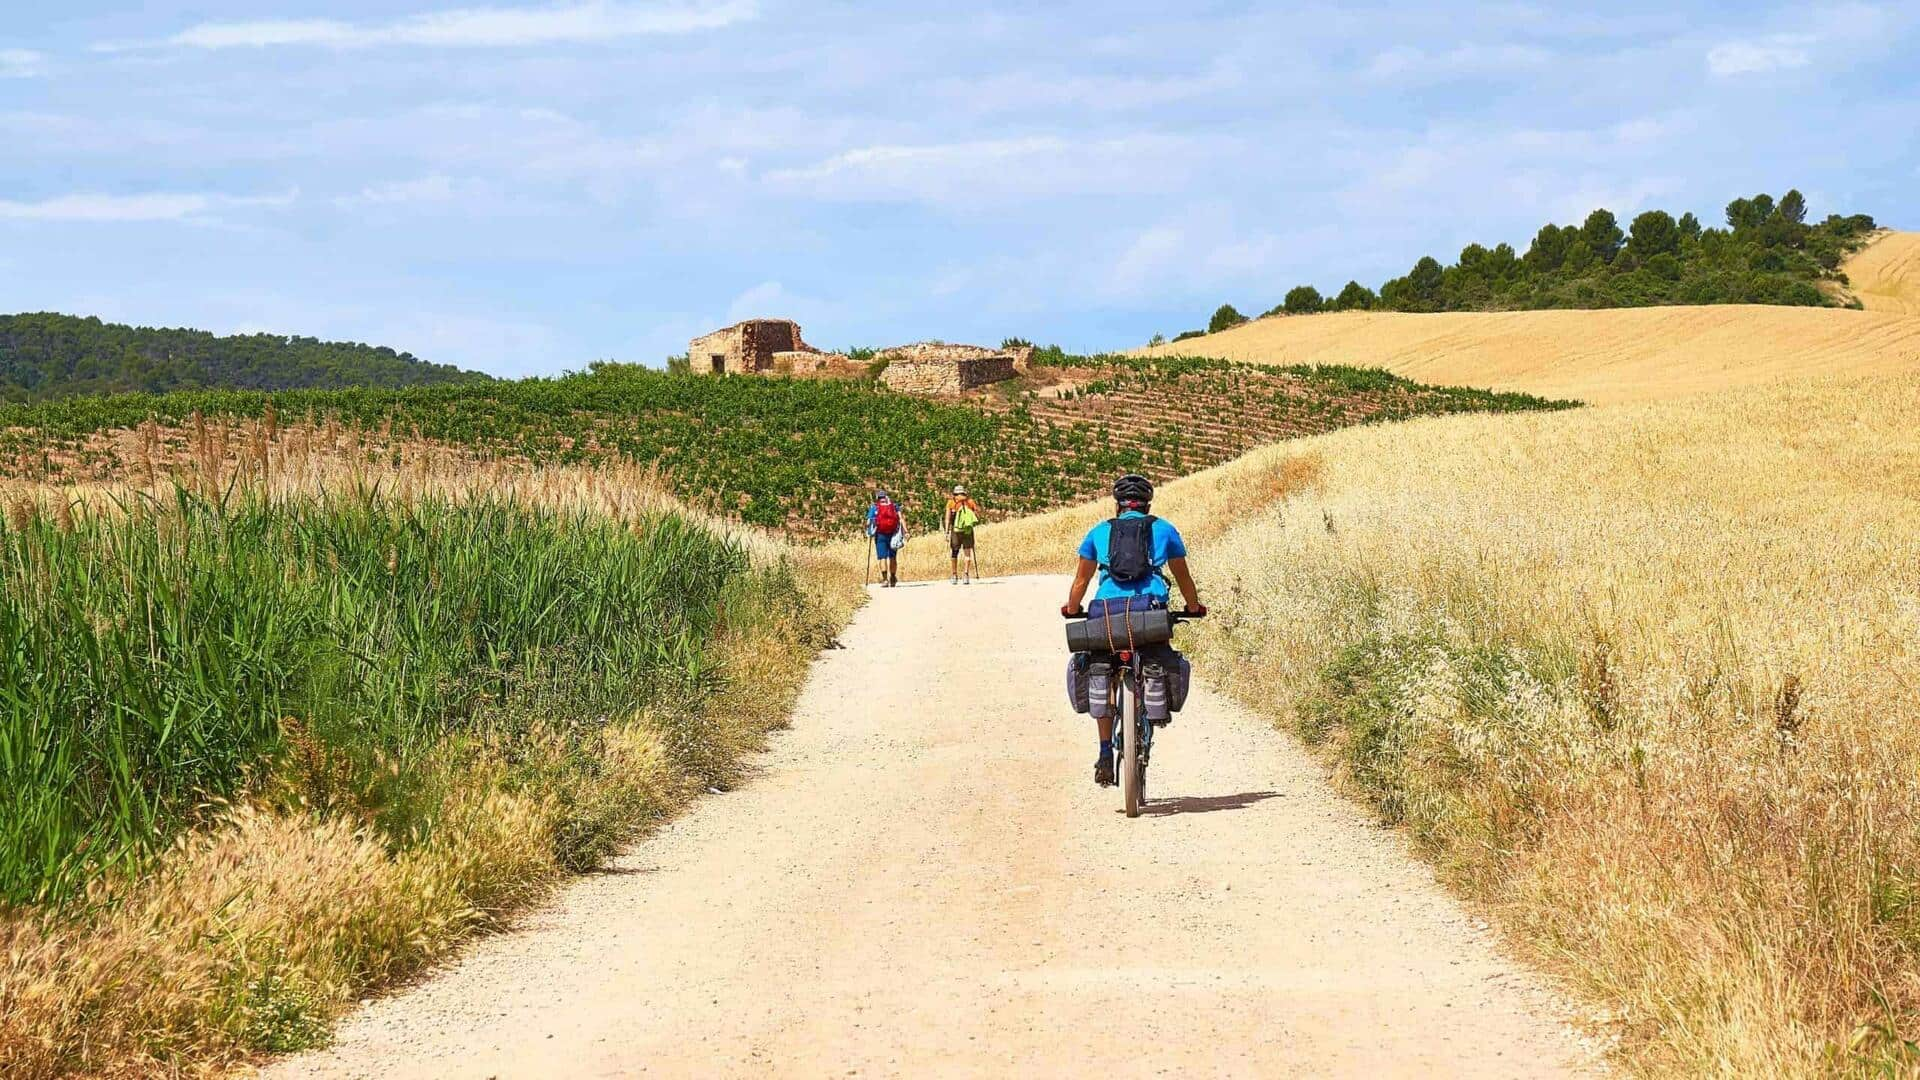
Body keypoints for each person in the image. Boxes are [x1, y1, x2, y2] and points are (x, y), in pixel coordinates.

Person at [1061, 473, 1204, 786]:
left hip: (1106, 614)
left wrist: (1072, 609)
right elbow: (1183, 579)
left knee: (1100, 667)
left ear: (1117, 505)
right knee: (1157, 656)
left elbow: (1081, 582)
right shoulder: (1164, 529)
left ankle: (1103, 752)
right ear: (1148, 503)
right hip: (1149, 613)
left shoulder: (1099, 531)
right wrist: (1193, 607)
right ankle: (1152, 696)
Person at [943, 484, 981, 584]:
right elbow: (977, 516)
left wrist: (946, 532)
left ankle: (954, 575)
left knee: (954, 552)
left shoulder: (951, 502)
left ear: (954, 493)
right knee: (967, 553)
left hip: (956, 530)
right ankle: (966, 575)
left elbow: (947, 518)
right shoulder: (970, 502)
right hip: (968, 530)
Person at [866, 490, 903, 587]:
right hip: (893, 534)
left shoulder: (875, 507)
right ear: (886, 497)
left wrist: (869, 531)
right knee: (893, 557)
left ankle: (885, 579)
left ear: (877, 497)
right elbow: (901, 518)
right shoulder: (894, 506)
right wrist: (905, 531)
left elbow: (868, 522)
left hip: (880, 534)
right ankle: (893, 577)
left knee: (882, 557)